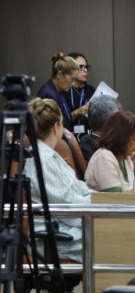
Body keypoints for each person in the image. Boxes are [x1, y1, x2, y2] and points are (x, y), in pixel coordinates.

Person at [25, 98, 93, 263]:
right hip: (54, 237)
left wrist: (103, 199)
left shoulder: (50, 155)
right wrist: (101, 206)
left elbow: (79, 187)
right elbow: (71, 211)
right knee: (115, 238)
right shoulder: (42, 160)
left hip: (65, 227)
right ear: (56, 126)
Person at [82, 95, 135, 185]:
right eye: (120, 119)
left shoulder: (90, 141)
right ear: (112, 123)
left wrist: (129, 163)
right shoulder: (103, 152)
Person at [36, 52, 79, 132]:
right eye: (72, 79)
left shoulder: (60, 92)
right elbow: (50, 131)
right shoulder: (48, 95)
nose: (73, 84)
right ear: (59, 75)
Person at [62, 52, 95, 135]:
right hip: (69, 135)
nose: (85, 70)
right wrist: (76, 113)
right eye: (81, 67)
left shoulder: (91, 90)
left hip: (88, 136)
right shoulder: (64, 91)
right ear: (71, 69)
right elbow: (60, 121)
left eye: (86, 67)